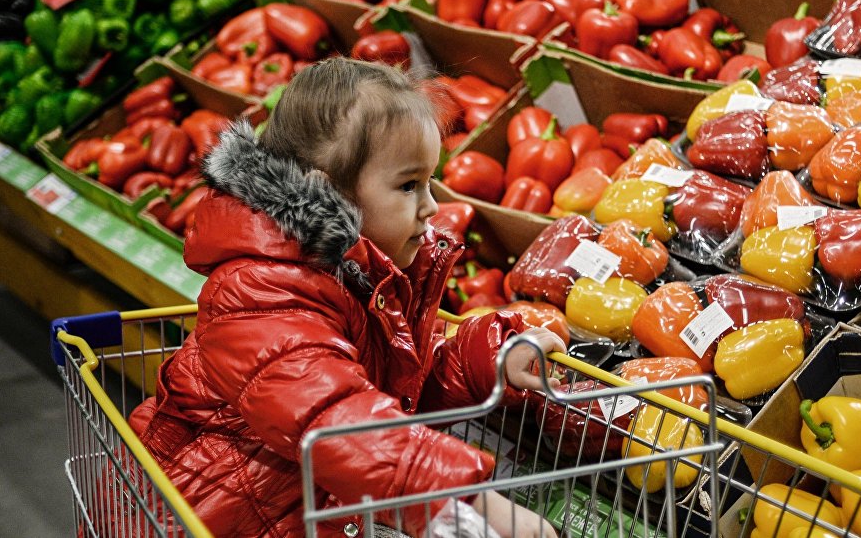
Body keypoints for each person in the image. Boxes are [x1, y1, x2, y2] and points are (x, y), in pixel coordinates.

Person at [128, 57, 564, 538]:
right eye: (408, 185)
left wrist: (487, 359)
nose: (433, 206)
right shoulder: (258, 291)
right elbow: (334, 416)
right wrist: (470, 498)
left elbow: (388, 387)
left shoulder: (359, 278)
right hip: (193, 519)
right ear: (326, 192)